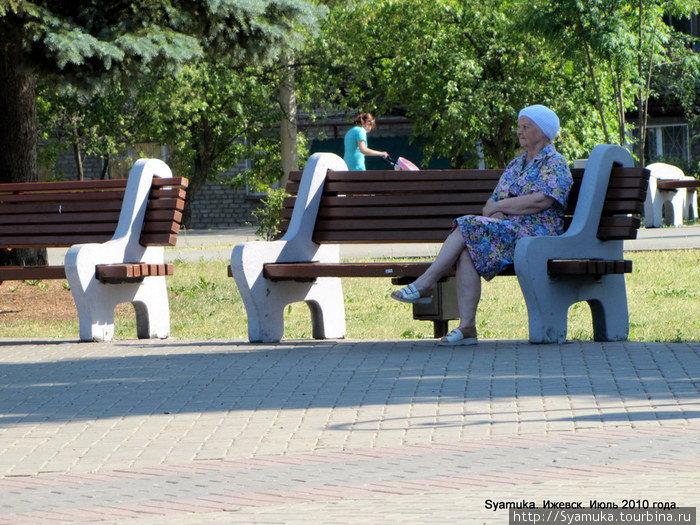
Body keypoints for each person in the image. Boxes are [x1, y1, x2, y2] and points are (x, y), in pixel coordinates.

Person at [390, 104, 573, 346]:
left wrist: (503, 208)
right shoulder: (515, 165)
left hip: (537, 236)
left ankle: (426, 283)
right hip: (509, 234)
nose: (519, 132)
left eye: (526, 127)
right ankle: (467, 328)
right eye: (519, 127)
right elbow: (490, 204)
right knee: (468, 250)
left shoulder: (554, 163)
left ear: (544, 131)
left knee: (467, 224)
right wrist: (498, 210)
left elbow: (540, 201)